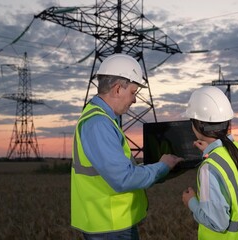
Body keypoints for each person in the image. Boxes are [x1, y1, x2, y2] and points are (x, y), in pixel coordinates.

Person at [71, 53, 182, 240]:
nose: (135, 100)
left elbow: (119, 170)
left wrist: (161, 171)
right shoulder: (99, 124)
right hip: (109, 226)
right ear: (117, 90)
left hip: (109, 224)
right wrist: (162, 167)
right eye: (133, 92)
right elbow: (123, 178)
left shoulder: (102, 120)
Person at [181, 86, 238, 240]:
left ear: (197, 125)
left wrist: (191, 203)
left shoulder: (209, 167)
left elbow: (217, 223)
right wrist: (210, 150)